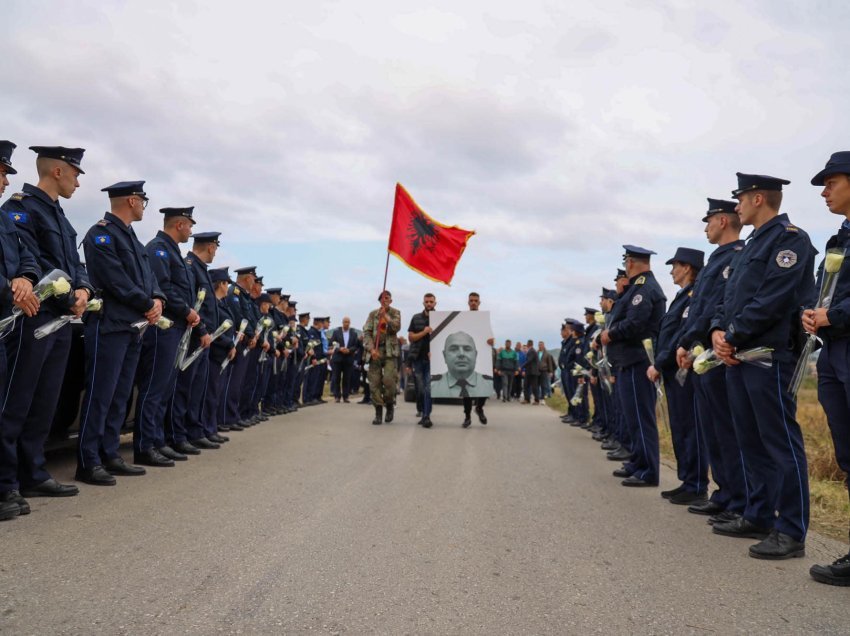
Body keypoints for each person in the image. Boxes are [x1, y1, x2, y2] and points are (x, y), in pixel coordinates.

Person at [710, 173, 815, 560]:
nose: (735, 205)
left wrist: (733, 334)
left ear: (757, 198)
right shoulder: (752, 244)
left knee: (779, 442)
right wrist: (719, 331)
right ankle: (757, 514)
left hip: (768, 355)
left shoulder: (791, 239)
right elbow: (729, 296)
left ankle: (791, 530)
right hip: (738, 354)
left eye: (739, 198)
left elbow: (773, 297)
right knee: (749, 440)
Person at [0, 146, 93, 500]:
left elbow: (75, 264)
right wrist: (70, 297)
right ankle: (8, 480)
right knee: (18, 400)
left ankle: (34, 472)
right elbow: (31, 262)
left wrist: (83, 289)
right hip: (33, 316)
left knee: (45, 401)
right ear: (58, 171)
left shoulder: (61, 217)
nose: (78, 183)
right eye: (76, 174)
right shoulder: (19, 208)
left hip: (61, 322)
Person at [76, 181, 164, 485]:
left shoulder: (133, 239)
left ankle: (110, 454)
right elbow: (114, 280)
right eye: (143, 200)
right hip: (110, 325)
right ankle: (88, 461)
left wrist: (158, 300)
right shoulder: (101, 233)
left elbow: (149, 278)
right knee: (101, 394)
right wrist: (146, 303)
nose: (143, 205)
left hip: (132, 328)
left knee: (120, 395)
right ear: (131, 200)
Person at [675, 199, 748, 522]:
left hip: (717, 353)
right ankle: (724, 493)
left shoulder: (735, 257)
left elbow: (719, 307)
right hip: (702, 353)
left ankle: (738, 498)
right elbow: (698, 311)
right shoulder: (716, 261)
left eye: (708, 221)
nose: (705, 227)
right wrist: (687, 343)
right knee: (714, 430)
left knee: (727, 430)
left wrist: (701, 339)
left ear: (722, 220)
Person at [804, 152, 850, 583]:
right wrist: (813, 312)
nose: (824, 191)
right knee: (848, 452)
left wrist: (835, 315)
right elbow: (826, 291)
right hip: (834, 353)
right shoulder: (840, 236)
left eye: (831, 182)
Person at [134, 206, 200, 467]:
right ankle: (144, 446)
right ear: (180, 224)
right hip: (163, 327)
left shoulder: (174, 251)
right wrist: (187, 310)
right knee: (153, 388)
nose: (191, 231)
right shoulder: (158, 248)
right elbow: (163, 288)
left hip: (176, 328)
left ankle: (158, 441)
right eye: (189, 225)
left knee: (165, 388)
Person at [601, 245, 667, 487]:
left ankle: (649, 470)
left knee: (641, 417)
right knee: (633, 417)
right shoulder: (636, 288)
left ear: (630, 262)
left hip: (638, 361)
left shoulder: (644, 289)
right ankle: (638, 462)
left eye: (627, 262)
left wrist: (611, 333)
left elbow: (636, 323)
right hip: (628, 362)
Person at [0, 141, 42, 519]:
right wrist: (9, 288)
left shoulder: (2, 219)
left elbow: (25, 257)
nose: (4, 181)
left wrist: (26, 279)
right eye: (1, 172)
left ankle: (3, 488)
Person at [647, 246, 707, 506]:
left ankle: (696, 485)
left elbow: (677, 337)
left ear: (687, 268)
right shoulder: (682, 296)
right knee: (680, 427)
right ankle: (687, 481)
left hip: (682, 369)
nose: (671, 271)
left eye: (675, 266)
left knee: (690, 428)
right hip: (673, 370)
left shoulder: (694, 296)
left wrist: (659, 363)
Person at [173, 231, 221, 447]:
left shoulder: (199, 268)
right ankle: (179, 435)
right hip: (193, 336)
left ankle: (194, 431)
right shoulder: (191, 266)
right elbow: (191, 302)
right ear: (211, 247)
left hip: (203, 337)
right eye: (215, 247)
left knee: (197, 388)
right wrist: (201, 330)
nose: (215, 252)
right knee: (185, 388)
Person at [362, 290, 401, 425]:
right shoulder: (373, 315)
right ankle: (378, 411)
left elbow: (396, 327)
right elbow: (366, 332)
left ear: (391, 301)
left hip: (390, 352)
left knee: (389, 381)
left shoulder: (395, 312)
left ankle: (389, 404)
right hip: (376, 351)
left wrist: (386, 317)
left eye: (388, 298)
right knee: (374, 383)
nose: (385, 300)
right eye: (383, 298)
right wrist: (371, 349)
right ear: (380, 301)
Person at [432, 331, 494, 409]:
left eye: (467, 349)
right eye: (454, 349)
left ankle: (477, 410)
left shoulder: (489, 383)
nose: (461, 354)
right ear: (444, 356)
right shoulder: (433, 385)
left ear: (476, 355)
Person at [463, 292, 494, 424]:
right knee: (467, 388)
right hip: (467, 356)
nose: (474, 302)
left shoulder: (484, 318)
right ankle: (467, 417)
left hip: (482, 356)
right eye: (471, 300)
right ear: (468, 303)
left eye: (476, 300)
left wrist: (492, 340)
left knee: (484, 384)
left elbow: (489, 336)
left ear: (479, 303)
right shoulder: (461, 318)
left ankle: (479, 407)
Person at [407, 293, 435, 428]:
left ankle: (426, 416)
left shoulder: (440, 318)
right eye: (427, 301)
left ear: (435, 303)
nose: (429, 304)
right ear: (423, 303)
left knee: (428, 388)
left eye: (431, 302)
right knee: (420, 389)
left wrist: (435, 352)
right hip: (417, 359)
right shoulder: (416, 318)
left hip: (432, 360)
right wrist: (424, 332)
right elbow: (411, 338)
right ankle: (422, 411)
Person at [521, 339, 540, 404]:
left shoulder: (532, 351)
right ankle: (527, 399)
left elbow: (529, 361)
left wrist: (521, 367)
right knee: (526, 385)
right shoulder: (531, 351)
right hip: (529, 371)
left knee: (534, 386)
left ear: (529, 344)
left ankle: (536, 400)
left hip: (532, 372)